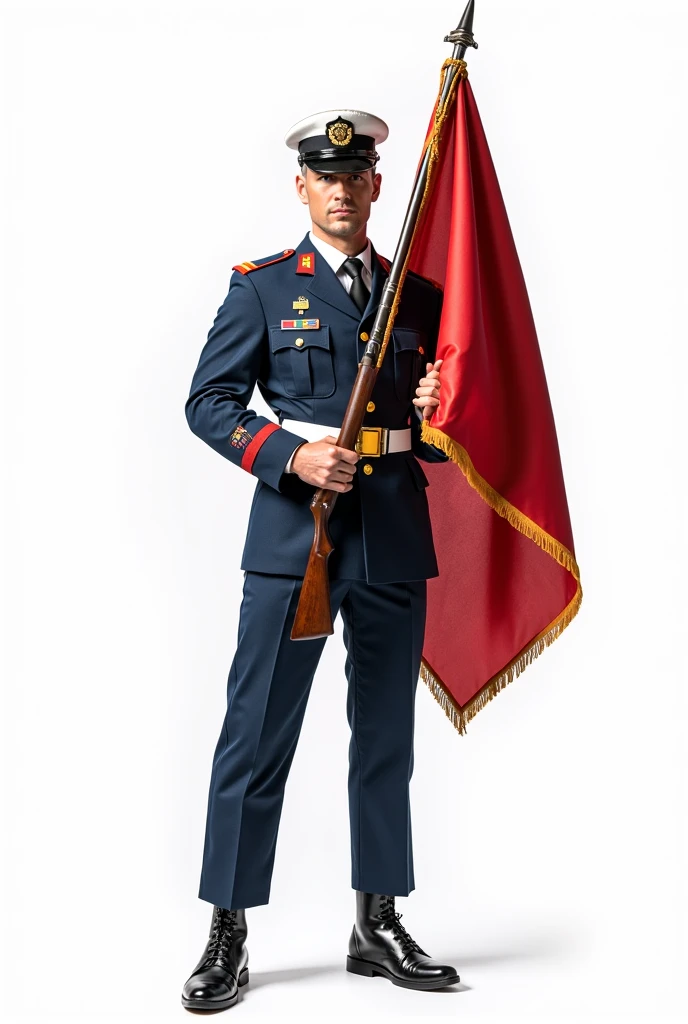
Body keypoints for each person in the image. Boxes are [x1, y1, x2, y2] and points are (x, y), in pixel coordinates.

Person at [181, 108, 460, 1012]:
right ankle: (228, 928)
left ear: (379, 185)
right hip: (295, 538)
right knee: (257, 734)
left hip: (391, 534)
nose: (342, 189)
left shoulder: (417, 296)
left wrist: (441, 415)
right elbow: (210, 401)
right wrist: (290, 457)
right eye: (324, 176)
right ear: (301, 186)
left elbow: (439, 438)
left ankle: (375, 922)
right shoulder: (263, 289)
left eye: (357, 174)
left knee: (385, 740)